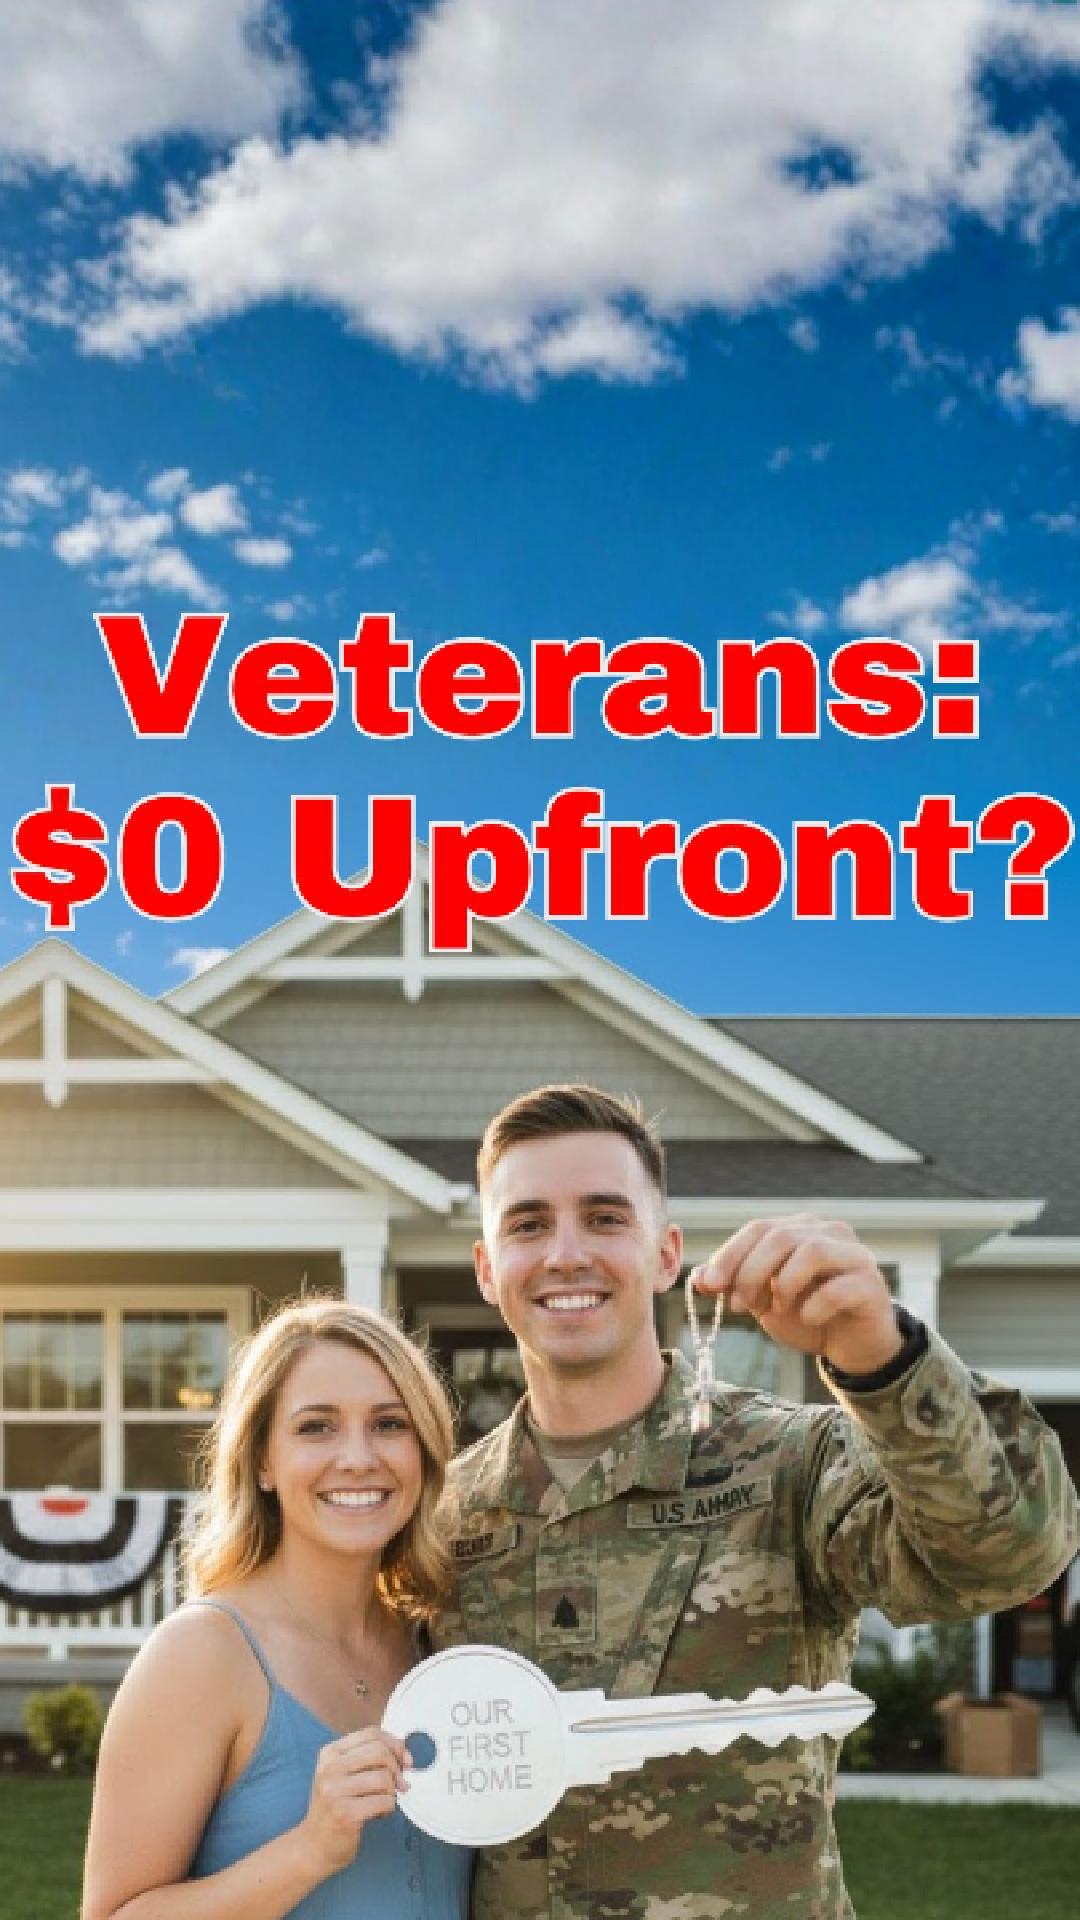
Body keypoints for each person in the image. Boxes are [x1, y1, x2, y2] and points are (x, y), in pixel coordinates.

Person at [436, 1083, 1080, 1920]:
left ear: (667, 1255)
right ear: (488, 1270)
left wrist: (878, 1353)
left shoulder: (788, 1463)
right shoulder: (444, 1515)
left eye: (604, 1217)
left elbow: (1009, 1554)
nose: (565, 1254)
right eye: (527, 1223)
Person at [82, 1300, 472, 1920]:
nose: (358, 1457)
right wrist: (310, 1850)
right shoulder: (203, 1654)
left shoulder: (436, 1643)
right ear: (263, 1460)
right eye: (316, 1427)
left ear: (424, 1451)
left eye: (390, 1424)